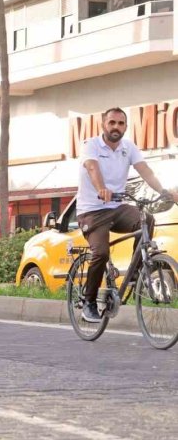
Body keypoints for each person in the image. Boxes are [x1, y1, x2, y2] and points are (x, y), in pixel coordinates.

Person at [75, 107, 178, 323]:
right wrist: (101, 188)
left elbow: (146, 171)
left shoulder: (128, 147)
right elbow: (92, 168)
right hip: (92, 211)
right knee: (101, 254)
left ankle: (134, 274)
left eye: (121, 124)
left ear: (125, 127)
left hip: (116, 208)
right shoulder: (91, 145)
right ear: (103, 124)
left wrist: (164, 192)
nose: (116, 127)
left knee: (147, 219)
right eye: (112, 122)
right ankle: (89, 302)